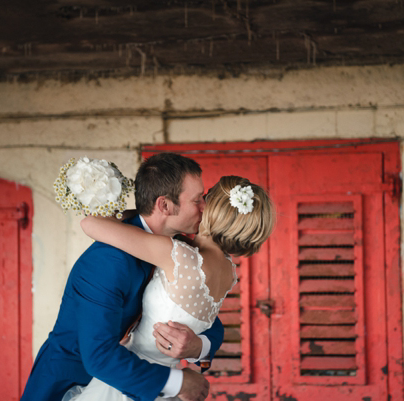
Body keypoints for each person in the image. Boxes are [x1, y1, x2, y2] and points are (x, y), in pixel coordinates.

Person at [21, 153, 225, 401]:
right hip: (73, 385)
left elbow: (208, 317)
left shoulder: (184, 252)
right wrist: (178, 382)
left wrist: (198, 346)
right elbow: (98, 356)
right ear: (164, 205)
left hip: (139, 386)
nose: (205, 207)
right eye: (197, 200)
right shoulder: (107, 260)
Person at [65, 174, 276, 401]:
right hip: (167, 381)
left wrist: (142, 212)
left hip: (134, 377)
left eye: (204, 199)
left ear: (212, 211)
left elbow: (91, 224)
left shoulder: (179, 257)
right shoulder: (228, 271)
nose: (200, 204)